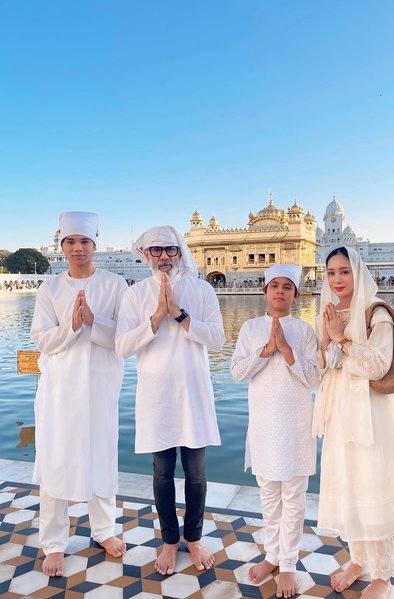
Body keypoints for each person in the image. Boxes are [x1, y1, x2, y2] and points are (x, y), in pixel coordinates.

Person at [313, 246, 394, 598]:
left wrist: (340, 339)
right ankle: (359, 560)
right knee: (350, 485)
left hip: (372, 413)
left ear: (359, 273)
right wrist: (325, 341)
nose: (337, 279)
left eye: (345, 271)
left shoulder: (376, 312)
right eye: (331, 272)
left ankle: (383, 574)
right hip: (342, 412)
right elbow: (323, 369)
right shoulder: (330, 313)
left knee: (375, 485)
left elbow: (377, 366)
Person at [115, 225, 224, 576]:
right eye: (156, 251)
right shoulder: (134, 296)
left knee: (196, 473)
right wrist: (157, 317)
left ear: (180, 253)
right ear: (145, 255)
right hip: (156, 395)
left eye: (170, 250)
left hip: (192, 393)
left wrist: (179, 314)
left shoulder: (202, 290)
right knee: (162, 473)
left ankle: (193, 537)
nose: (164, 257)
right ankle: (169, 540)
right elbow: (122, 347)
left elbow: (218, 340)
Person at [31, 211, 127, 577]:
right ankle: (53, 541)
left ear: (95, 245)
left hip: (101, 384)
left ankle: (104, 529)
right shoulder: (50, 288)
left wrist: (93, 322)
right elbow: (41, 338)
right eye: (70, 242)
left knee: (101, 454)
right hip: (59, 387)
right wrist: (71, 326)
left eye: (84, 242)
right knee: (56, 457)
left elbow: (124, 337)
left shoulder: (115, 284)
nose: (77, 248)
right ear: (62, 246)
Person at [231, 264, 318, 599]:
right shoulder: (251, 328)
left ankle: (289, 564)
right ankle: (272, 555)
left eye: (287, 287)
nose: (280, 292)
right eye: (274, 286)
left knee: (294, 497)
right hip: (265, 423)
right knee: (268, 494)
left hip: (296, 423)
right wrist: (267, 350)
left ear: (296, 294)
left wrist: (286, 349)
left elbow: (313, 378)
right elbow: (238, 372)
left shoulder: (305, 330)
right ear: (264, 291)